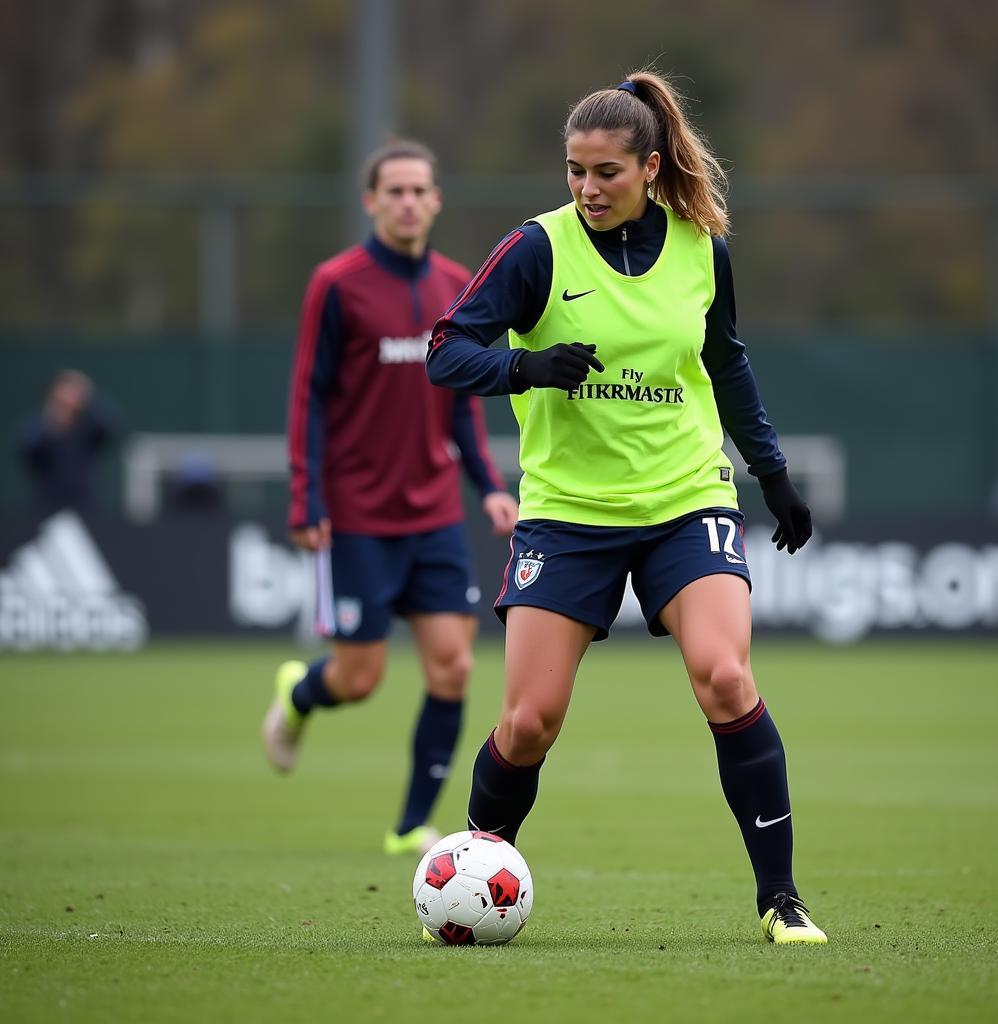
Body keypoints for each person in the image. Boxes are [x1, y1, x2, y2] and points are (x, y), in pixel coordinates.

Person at [427, 71, 826, 944]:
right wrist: (522, 369)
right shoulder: (536, 249)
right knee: (529, 723)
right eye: (574, 171)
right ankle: (474, 871)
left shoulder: (702, 247)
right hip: (569, 512)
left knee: (726, 677)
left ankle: (781, 900)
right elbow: (445, 351)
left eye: (605, 172)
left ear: (650, 166)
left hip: (687, 499)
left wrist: (772, 472)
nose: (586, 189)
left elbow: (726, 364)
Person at [262, 139, 519, 858]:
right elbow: (308, 395)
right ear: (371, 201)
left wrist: (490, 488)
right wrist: (306, 498)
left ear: (436, 201)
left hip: (434, 511)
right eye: (394, 190)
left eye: (419, 190)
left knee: (455, 665)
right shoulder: (337, 283)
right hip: (357, 516)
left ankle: (410, 824)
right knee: (360, 676)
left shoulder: (456, 282)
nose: (407, 201)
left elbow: (464, 396)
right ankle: (299, 696)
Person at [16, 369, 119, 519]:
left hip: (84, 505)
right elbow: (26, 448)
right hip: (47, 505)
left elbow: (110, 425)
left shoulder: (88, 427)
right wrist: (51, 419)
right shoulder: (40, 426)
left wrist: (87, 398)